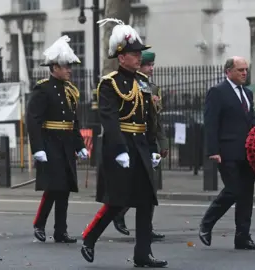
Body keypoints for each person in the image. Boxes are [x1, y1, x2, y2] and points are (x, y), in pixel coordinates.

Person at [80, 18, 167, 268]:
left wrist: (152, 149)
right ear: (121, 57)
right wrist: (119, 149)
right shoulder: (109, 83)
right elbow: (109, 118)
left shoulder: (142, 82)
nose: (138, 57)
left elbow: (150, 118)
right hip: (120, 147)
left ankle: (143, 254)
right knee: (118, 200)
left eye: (139, 53)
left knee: (145, 201)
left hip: (140, 144)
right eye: (133, 53)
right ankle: (89, 237)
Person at [26, 35, 88, 244]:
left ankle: (60, 231)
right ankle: (39, 224)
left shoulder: (70, 91)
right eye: (65, 66)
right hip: (50, 143)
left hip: (66, 144)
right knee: (53, 188)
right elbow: (33, 121)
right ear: (54, 67)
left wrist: (79, 145)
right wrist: (38, 148)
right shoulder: (43, 89)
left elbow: (73, 122)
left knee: (65, 189)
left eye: (69, 66)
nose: (69, 70)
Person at [198, 56, 255, 250]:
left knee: (246, 194)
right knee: (233, 189)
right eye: (240, 70)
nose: (244, 73)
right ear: (228, 71)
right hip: (227, 151)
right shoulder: (217, 92)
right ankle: (207, 223)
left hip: (248, 153)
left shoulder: (248, 93)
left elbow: (249, 121)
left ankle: (242, 236)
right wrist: (213, 150)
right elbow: (211, 122)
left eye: (246, 69)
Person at [111, 50, 167, 241]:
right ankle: (117, 213)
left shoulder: (153, 88)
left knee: (150, 188)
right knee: (132, 185)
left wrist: (163, 142)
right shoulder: (128, 85)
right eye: (147, 65)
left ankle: (146, 228)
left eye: (151, 66)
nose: (150, 69)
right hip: (135, 141)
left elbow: (156, 120)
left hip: (149, 141)